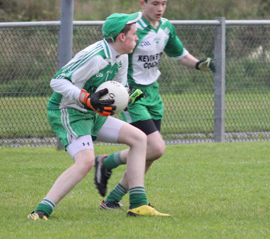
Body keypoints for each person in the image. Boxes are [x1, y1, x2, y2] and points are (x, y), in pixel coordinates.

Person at [28, 11, 170, 220]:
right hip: (69, 112)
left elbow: (119, 88)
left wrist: (128, 97)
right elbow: (57, 81)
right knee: (85, 162)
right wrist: (87, 98)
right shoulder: (95, 56)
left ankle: (138, 205)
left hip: (93, 113)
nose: (137, 38)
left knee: (140, 139)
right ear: (122, 37)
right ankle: (41, 211)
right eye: (134, 34)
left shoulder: (121, 56)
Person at [93, 0, 215, 212]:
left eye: (164, 4)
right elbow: (111, 52)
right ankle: (109, 164)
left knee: (147, 155)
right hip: (132, 93)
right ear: (142, 3)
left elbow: (179, 54)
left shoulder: (166, 27)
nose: (160, 8)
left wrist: (199, 65)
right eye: (155, 3)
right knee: (155, 147)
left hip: (153, 94)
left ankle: (111, 198)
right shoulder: (130, 27)